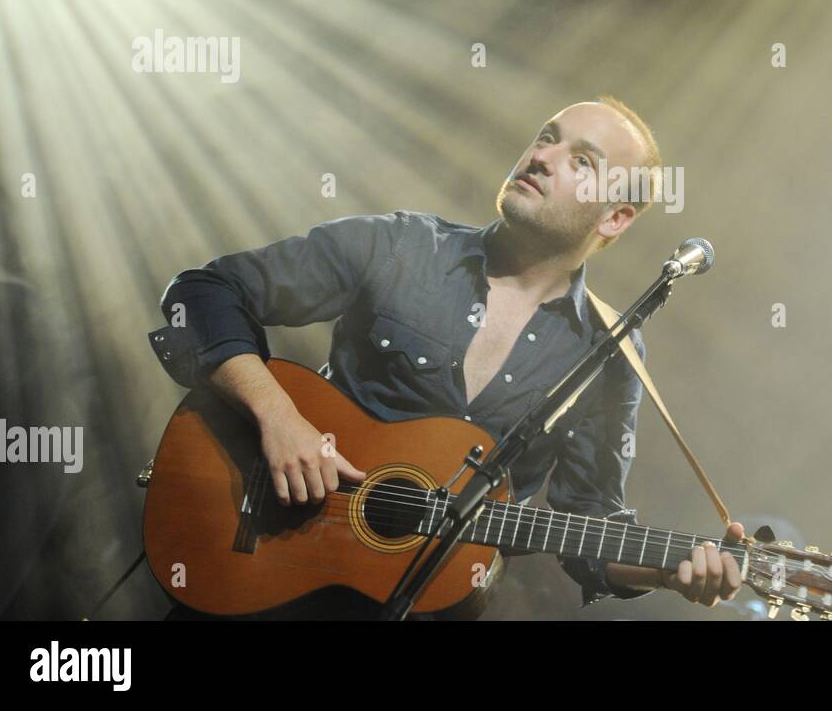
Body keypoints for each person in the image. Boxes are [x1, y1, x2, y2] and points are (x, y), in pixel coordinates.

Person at [148, 95, 744, 619]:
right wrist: (278, 418)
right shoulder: (400, 245)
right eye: (546, 136)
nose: (542, 156)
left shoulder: (612, 351)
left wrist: (667, 570)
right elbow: (202, 293)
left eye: (582, 161)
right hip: (255, 573)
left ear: (615, 216)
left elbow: (588, 520)